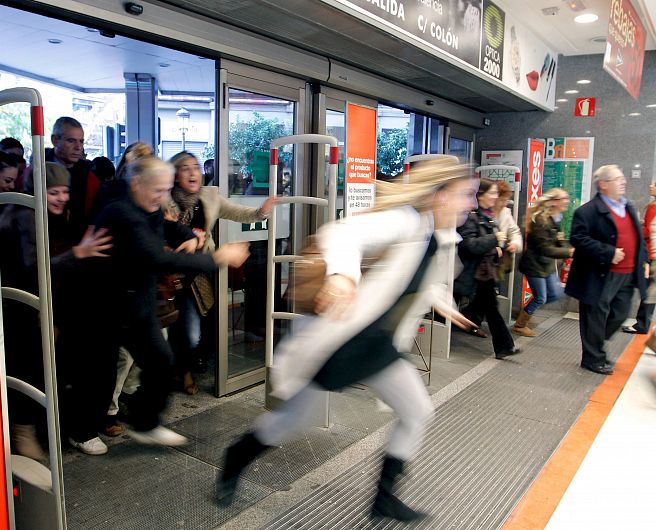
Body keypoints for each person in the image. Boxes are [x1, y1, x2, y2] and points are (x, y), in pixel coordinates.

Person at [216, 158, 479, 521]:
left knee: (418, 411)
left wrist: (443, 304)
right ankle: (235, 459)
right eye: (466, 195)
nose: (472, 204)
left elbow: (414, 279)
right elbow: (341, 234)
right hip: (344, 341)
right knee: (292, 420)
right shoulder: (404, 219)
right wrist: (342, 276)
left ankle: (384, 500)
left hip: (376, 344)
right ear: (439, 194)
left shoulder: (436, 234)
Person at [91, 156, 249, 446]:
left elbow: (166, 226)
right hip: (106, 307)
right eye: (157, 190)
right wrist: (215, 258)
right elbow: (156, 256)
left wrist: (187, 234)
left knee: (161, 361)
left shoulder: (148, 205)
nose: (163, 197)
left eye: (166, 190)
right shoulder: (120, 212)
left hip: (137, 304)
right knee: (101, 372)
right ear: (136, 183)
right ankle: (84, 429)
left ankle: (146, 423)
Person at [0, 163, 112, 460]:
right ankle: (23, 434)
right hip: (21, 309)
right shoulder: (25, 215)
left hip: (35, 306)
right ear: (37, 189)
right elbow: (33, 268)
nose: (61, 197)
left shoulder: (40, 213)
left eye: (64, 191)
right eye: (53, 191)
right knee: (32, 367)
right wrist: (78, 253)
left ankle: (40, 431)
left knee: (47, 367)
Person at [165, 151, 278, 394]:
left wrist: (261, 212)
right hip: (170, 275)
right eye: (185, 168)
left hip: (199, 274)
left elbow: (237, 212)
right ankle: (179, 372)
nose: (192, 171)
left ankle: (185, 365)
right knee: (180, 331)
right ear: (174, 175)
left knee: (198, 332)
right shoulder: (164, 201)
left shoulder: (210, 196)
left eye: (195, 166)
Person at [566, 165, 648, 375]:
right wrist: (608, 252)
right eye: (617, 179)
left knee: (620, 314)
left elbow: (637, 236)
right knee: (595, 315)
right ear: (603, 184)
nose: (623, 182)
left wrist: (643, 260)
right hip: (599, 274)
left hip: (627, 273)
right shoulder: (587, 211)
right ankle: (593, 358)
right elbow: (578, 238)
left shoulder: (627, 206)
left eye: (622, 178)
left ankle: (594, 343)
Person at [454, 179, 520, 358]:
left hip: (484, 272)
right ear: (480, 195)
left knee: (490, 307)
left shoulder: (487, 216)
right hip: (473, 272)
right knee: (487, 307)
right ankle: (504, 345)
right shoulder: (470, 217)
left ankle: (504, 346)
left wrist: (496, 246)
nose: (495, 197)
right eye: (492, 193)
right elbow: (469, 245)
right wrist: (493, 240)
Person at [514, 189, 574, 336]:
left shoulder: (554, 219)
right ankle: (520, 325)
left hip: (545, 265)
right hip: (534, 265)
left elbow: (559, 241)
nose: (567, 201)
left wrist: (567, 249)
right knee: (541, 297)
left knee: (555, 294)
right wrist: (569, 252)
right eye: (563, 198)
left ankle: (527, 310)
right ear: (553, 201)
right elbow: (545, 249)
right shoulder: (541, 221)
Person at [46, 117, 99, 238]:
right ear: (55, 140)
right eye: (71, 141)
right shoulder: (37, 172)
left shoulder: (90, 176)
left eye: (81, 141)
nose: (78, 147)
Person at [622, 181, 656, 334]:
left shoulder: (653, 207)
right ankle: (642, 324)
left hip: (652, 256)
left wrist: (636, 229)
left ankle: (642, 325)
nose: (650, 186)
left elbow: (649, 232)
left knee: (649, 292)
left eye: (654, 185)